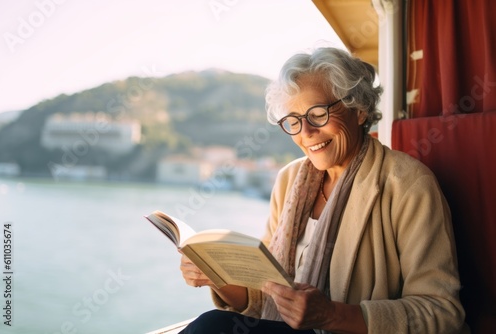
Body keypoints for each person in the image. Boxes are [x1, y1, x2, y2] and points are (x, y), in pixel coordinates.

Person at [178, 47, 467, 333]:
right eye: (293, 120)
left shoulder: (408, 185)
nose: (305, 132)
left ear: (359, 110)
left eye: (318, 114)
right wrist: (217, 276)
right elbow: (263, 298)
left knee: (209, 327)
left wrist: (331, 316)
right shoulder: (289, 179)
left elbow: (442, 311)